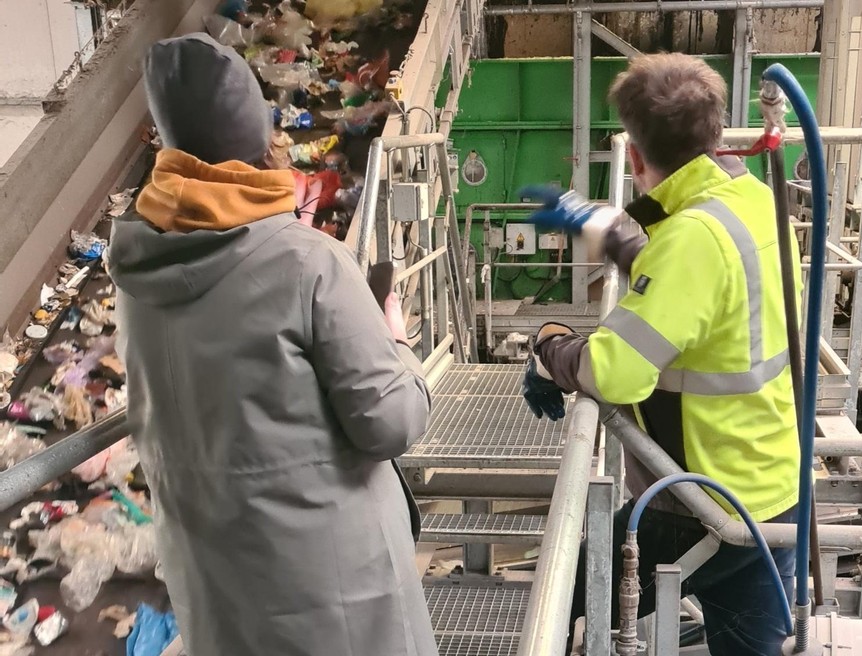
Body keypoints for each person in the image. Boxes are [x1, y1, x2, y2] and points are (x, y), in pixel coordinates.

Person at [106, 33, 438, 656]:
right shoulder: (308, 262)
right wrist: (396, 345)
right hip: (331, 599)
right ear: (258, 137)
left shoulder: (134, 274)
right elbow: (390, 422)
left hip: (218, 596)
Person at [520, 52, 801, 655]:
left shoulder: (692, 238)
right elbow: (696, 286)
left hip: (701, 505)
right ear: (716, 131)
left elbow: (614, 373)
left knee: (556, 602)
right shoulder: (752, 200)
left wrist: (549, 347)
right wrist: (607, 229)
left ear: (635, 156)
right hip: (773, 492)